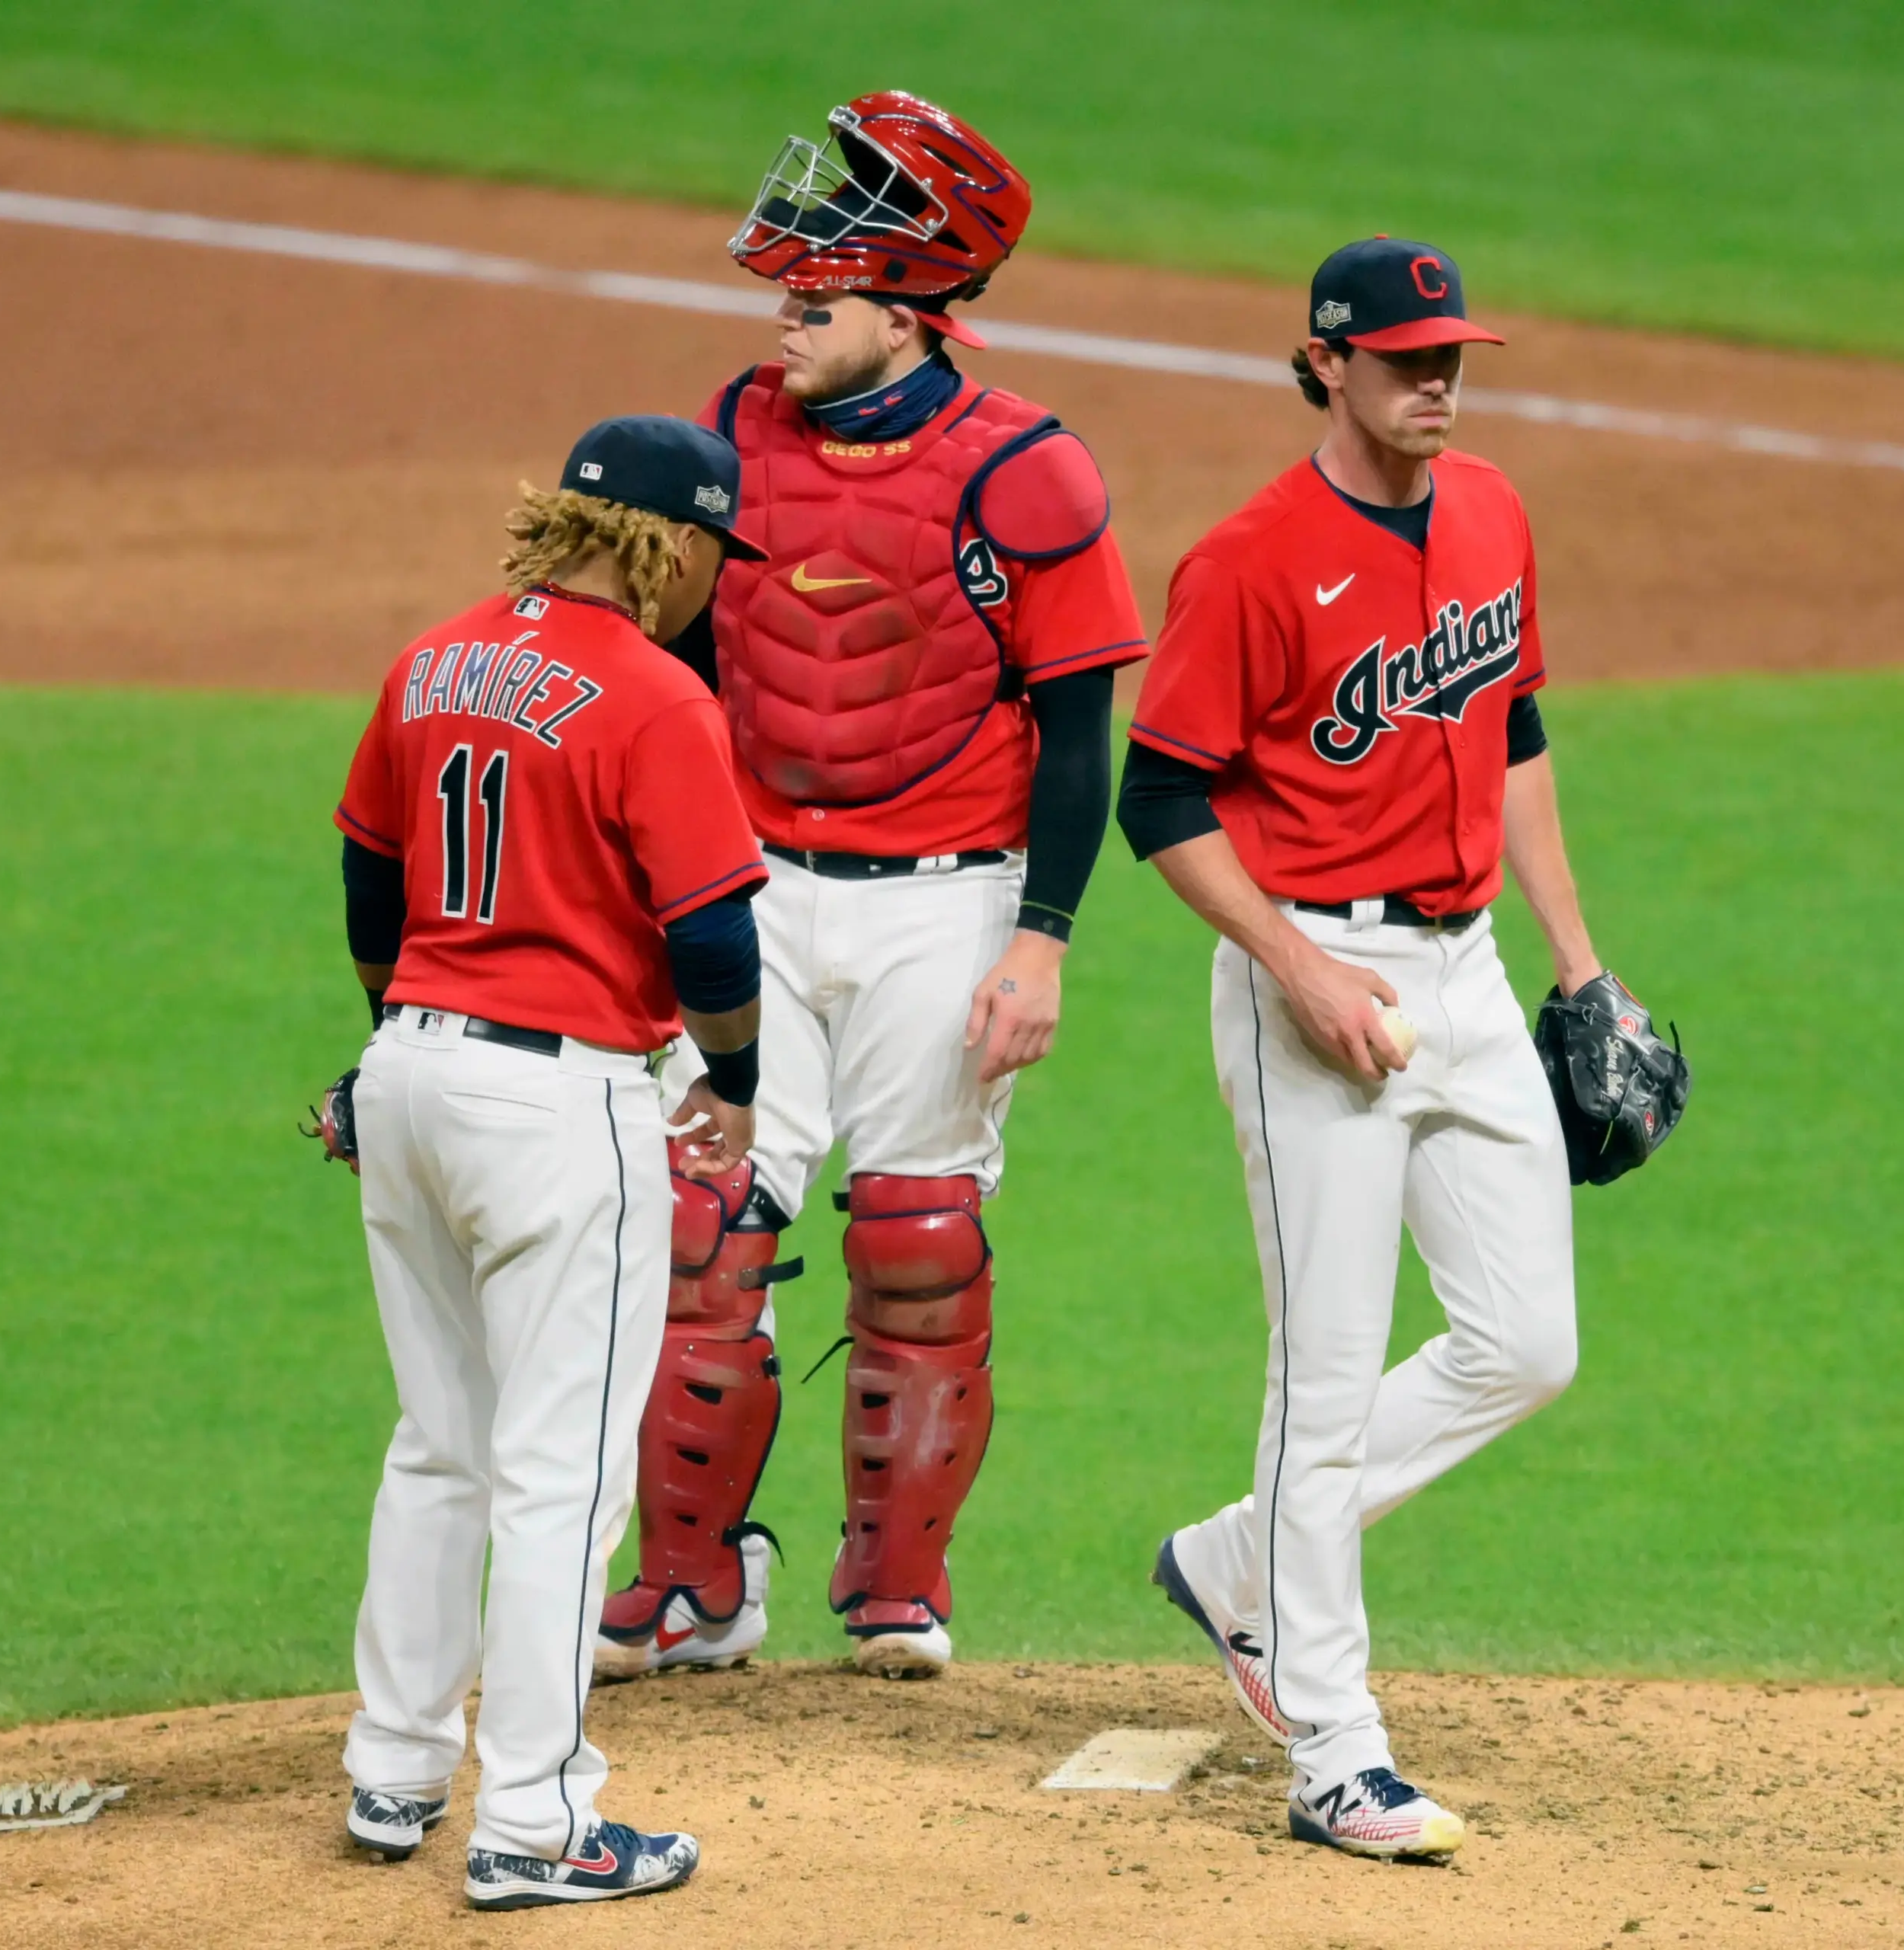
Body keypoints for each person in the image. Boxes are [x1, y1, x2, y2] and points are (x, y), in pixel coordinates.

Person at [596, 90, 1147, 1683]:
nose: (786, 309)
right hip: (755, 885)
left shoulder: (1030, 473)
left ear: (910, 313)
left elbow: (1079, 729)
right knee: (706, 1229)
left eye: (819, 294)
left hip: (945, 900)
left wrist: (1040, 944)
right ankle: (693, 1582)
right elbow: (680, 668)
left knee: (913, 1234)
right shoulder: (731, 428)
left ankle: (896, 1580)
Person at [1117, 239, 1640, 1860]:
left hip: (1469, 970)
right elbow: (1162, 801)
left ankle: (1240, 1556)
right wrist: (1297, 969)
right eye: (1408, 356)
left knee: (1526, 1340)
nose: (1437, 380)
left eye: (1453, 355)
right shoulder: (1253, 560)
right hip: (1311, 987)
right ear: (1327, 362)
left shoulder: (1492, 508)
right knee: (1325, 1378)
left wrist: (1584, 965)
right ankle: (1336, 1745)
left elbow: (1520, 737)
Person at [320, 416, 770, 1908]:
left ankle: (393, 1771)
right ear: (679, 543)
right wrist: (743, 1079)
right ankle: (534, 1819)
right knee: (561, 1477)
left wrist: (397, 1040)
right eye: (717, 553)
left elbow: (370, 880)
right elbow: (711, 936)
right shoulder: (655, 693)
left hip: (412, 1078)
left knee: (437, 1438)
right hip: (558, 1102)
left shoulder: (431, 659)